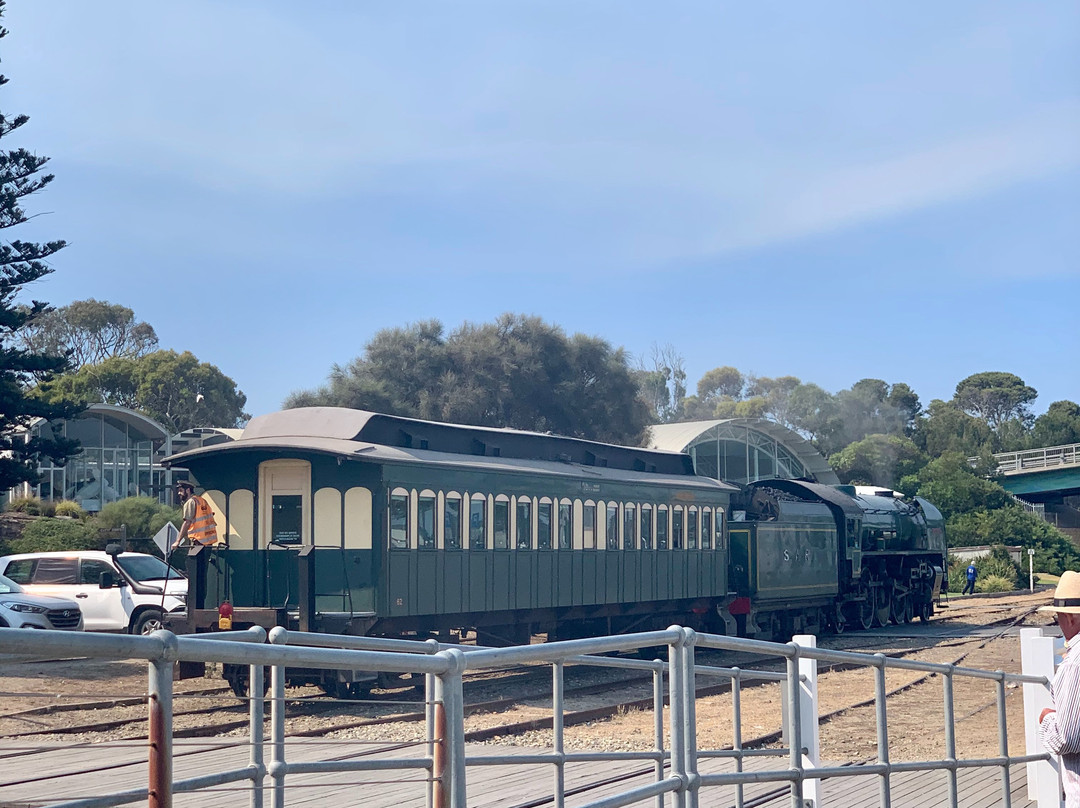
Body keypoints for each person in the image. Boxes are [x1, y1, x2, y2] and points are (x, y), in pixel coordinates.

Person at [1039, 571, 1080, 808]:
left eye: (1059, 618)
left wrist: (1047, 719)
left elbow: (1067, 739)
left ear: (1071, 619)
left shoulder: (1074, 664)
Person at [171, 480, 219, 550]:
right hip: (208, 541)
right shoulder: (202, 500)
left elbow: (187, 522)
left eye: (181, 490)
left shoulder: (191, 502)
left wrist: (177, 541)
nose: (179, 493)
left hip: (198, 540)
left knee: (193, 560)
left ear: (188, 490)